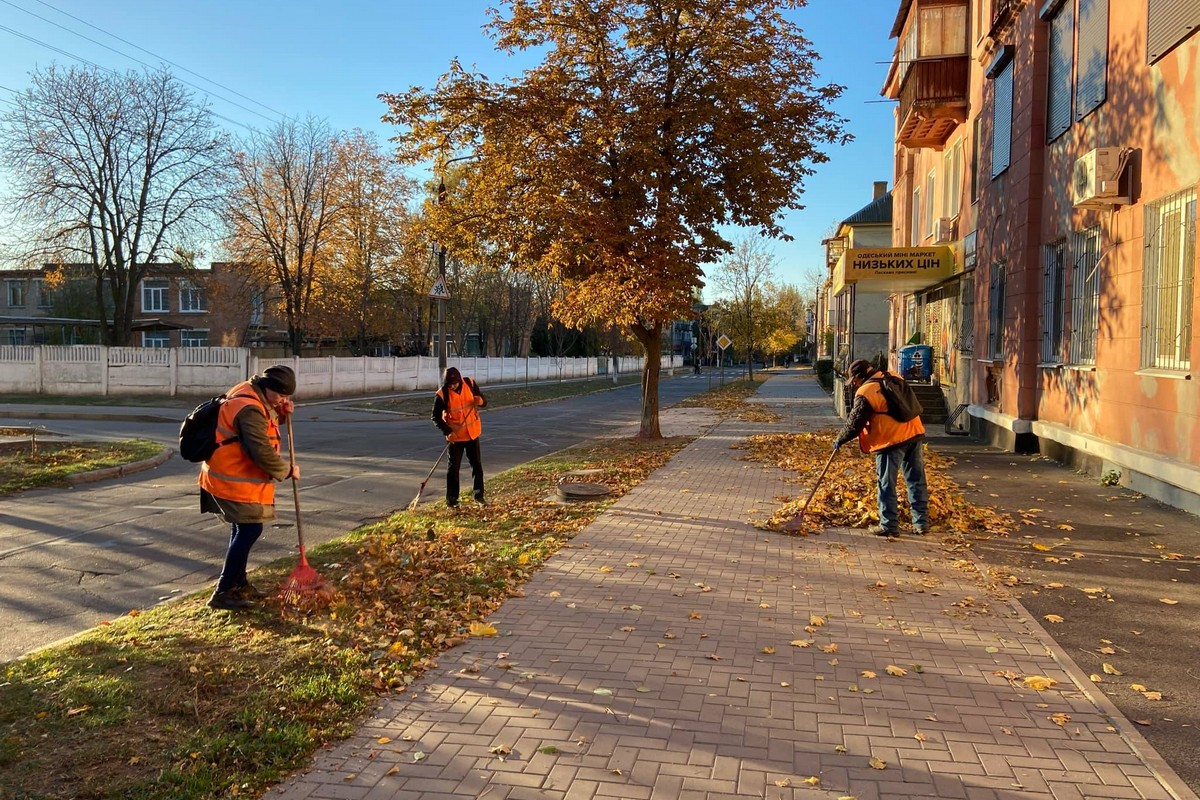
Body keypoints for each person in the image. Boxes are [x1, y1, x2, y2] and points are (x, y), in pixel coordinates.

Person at [198, 365, 299, 609]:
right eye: (280, 396)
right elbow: (260, 448)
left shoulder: (251, 392)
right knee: (250, 530)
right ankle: (223, 591)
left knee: (242, 529)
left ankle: (239, 584)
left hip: (232, 476)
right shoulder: (249, 407)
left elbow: (265, 421)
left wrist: (281, 412)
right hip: (231, 479)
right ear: (267, 389)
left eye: (287, 397)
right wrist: (286, 471)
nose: (283, 400)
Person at [832, 359, 929, 538]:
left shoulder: (866, 392)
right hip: (913, 433)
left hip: (889, 442)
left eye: (854, 380)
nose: (854, 384)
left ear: (860, 377)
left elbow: (855, 423)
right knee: (916, 480)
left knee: (886, 484)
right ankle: (921, 523)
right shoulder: (894, 376)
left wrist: (840, 439)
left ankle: (889, 525)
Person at [432, 366, 487, 508]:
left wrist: (479, 401)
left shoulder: (470, 383)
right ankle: (452, 500)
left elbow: (484, 401)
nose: (452, 386)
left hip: (472, 434)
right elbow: (435, 417)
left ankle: (479, 495)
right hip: (456, 437)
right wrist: (447, 431)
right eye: (449, 384)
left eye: (454, 384)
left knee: (477, 466)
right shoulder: (442, 394)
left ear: (460, 381)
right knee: (453, 469)